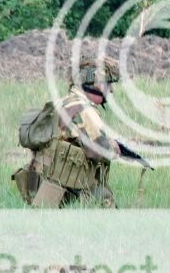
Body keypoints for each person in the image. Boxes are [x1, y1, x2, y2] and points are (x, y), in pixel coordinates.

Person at [12, 58, 122, 207]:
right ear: (96, 83)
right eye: (108, 84)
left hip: (41, 186)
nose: (111, 90)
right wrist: (117, 148)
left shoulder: (62, 102)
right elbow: (96, 151)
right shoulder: (83, 109)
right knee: (105, 204)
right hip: (63, 190)